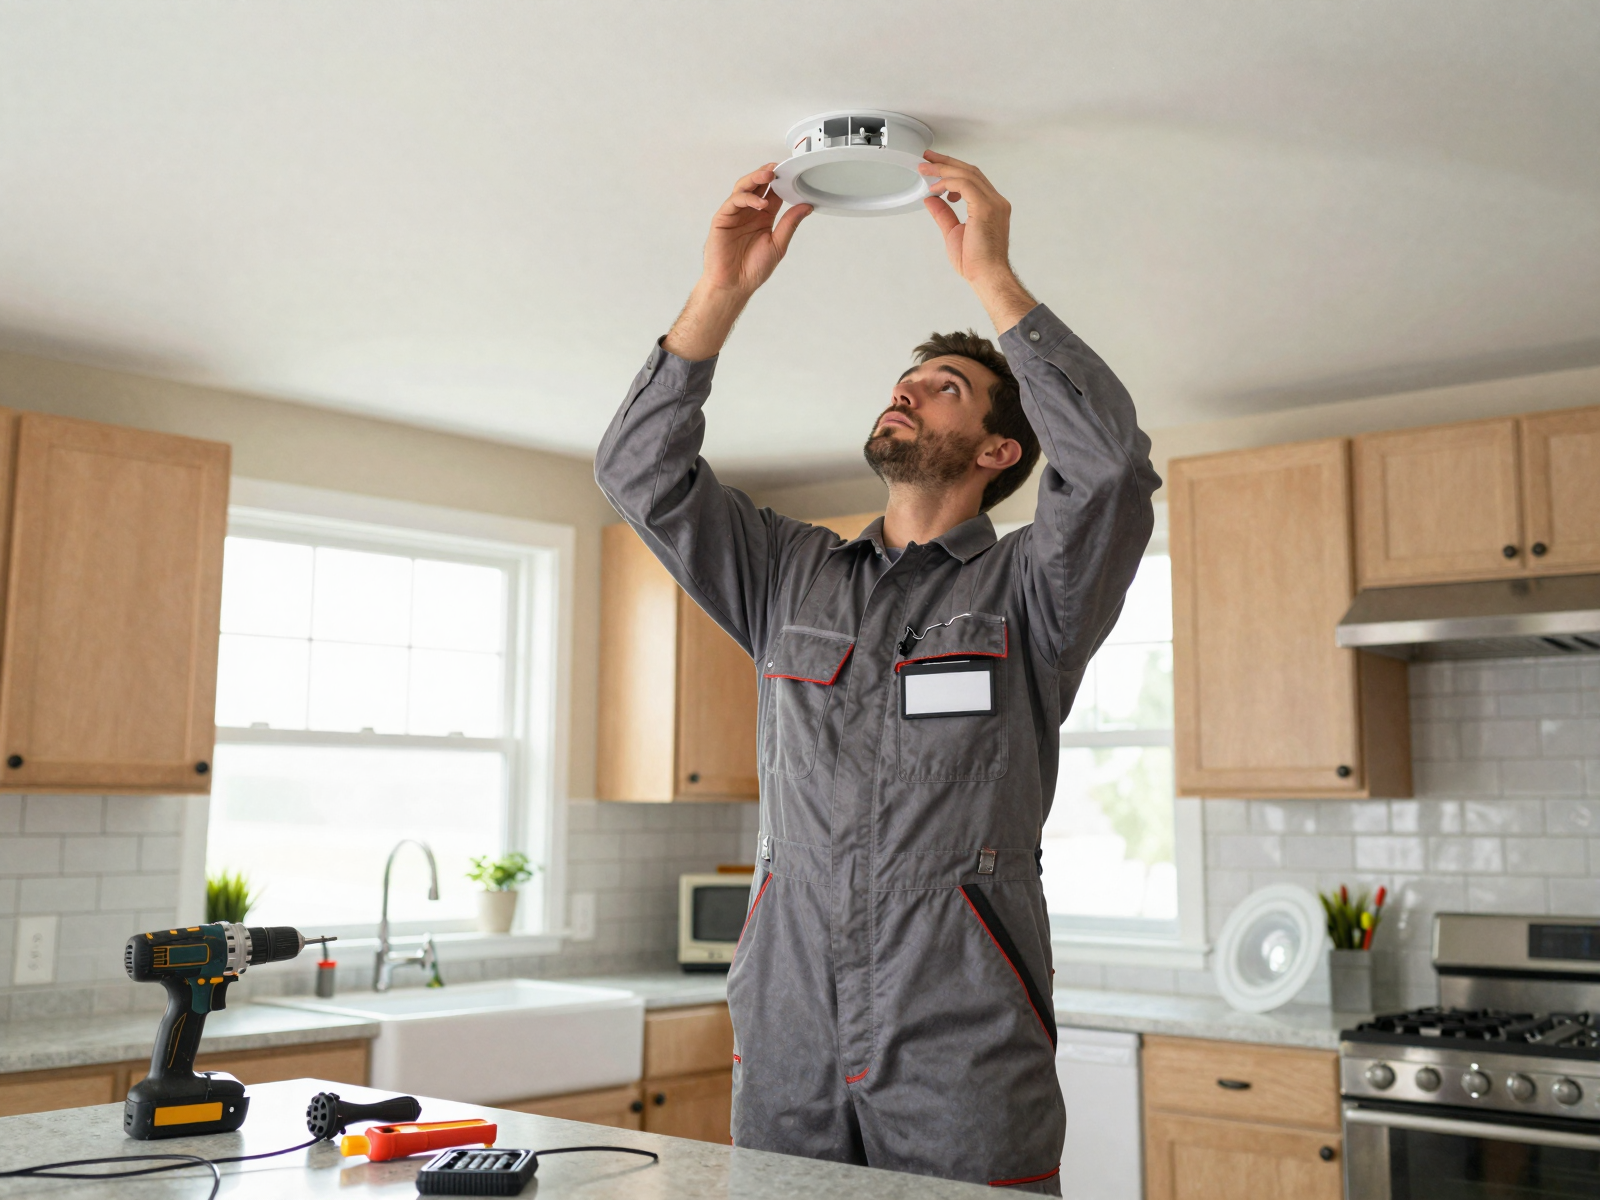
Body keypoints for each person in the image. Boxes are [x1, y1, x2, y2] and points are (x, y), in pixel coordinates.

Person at [595, 151, 1159, 1194]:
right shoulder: (784, 573)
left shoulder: (1034, 592)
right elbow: (635, 471)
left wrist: (992, 280)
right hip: (788, 1012)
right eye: (906, 382)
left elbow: (1112, 469)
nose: (908, 391)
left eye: (947, 390)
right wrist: (721, 290)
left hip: (960, 1024)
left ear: (997, 453)